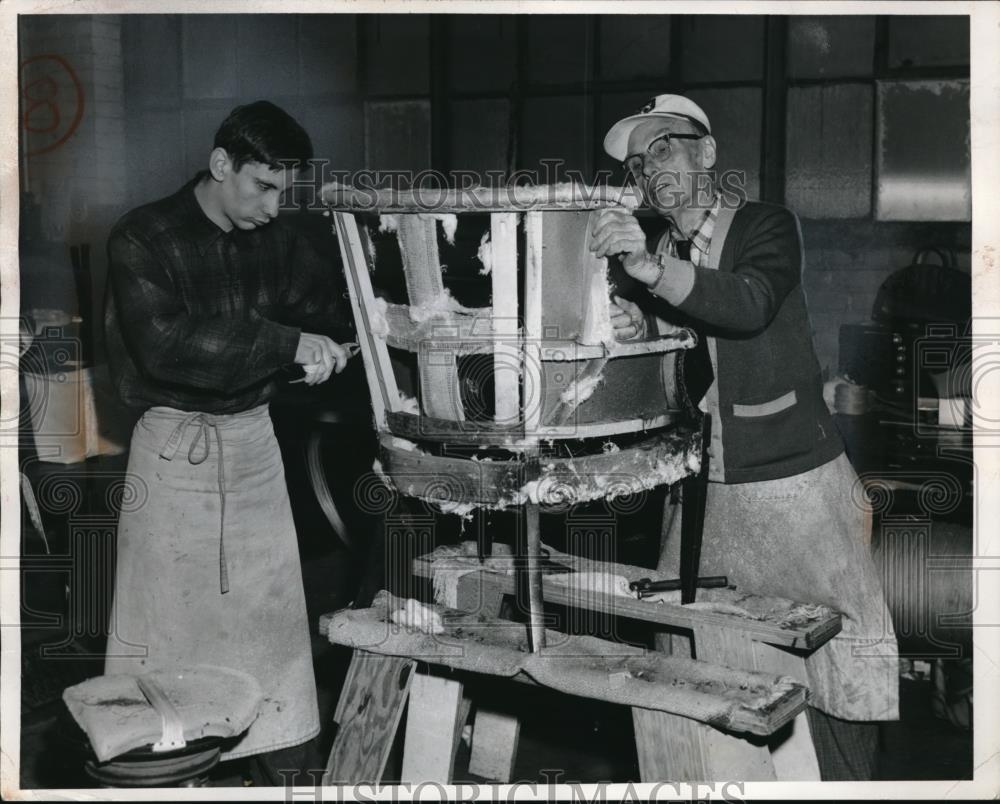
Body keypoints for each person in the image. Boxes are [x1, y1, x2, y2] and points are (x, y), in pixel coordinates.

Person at [591, 94, 899, 780]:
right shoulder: (658, 249)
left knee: (834, 663)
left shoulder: (766, 225)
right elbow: (674, 358)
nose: (651, 171)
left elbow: (750, 302)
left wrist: (648, 273)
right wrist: (635, 323)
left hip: (795, 481)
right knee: (689, 650)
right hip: (705, 490)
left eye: (664, 147)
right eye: (639, 165)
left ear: (707, 153)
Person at [102, 101, 352, 784]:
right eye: (262, 187)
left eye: (284, 192)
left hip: (254, 447)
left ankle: (279, 770)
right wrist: (286, 343)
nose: (274, 208)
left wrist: (352, 335)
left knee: (267, 630)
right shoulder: (144, 236)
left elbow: (328, 309)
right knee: (166, 635)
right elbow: (166, 346)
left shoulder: (275, 239)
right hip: (171, 449)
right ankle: (165, 776)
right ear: (221, 166)